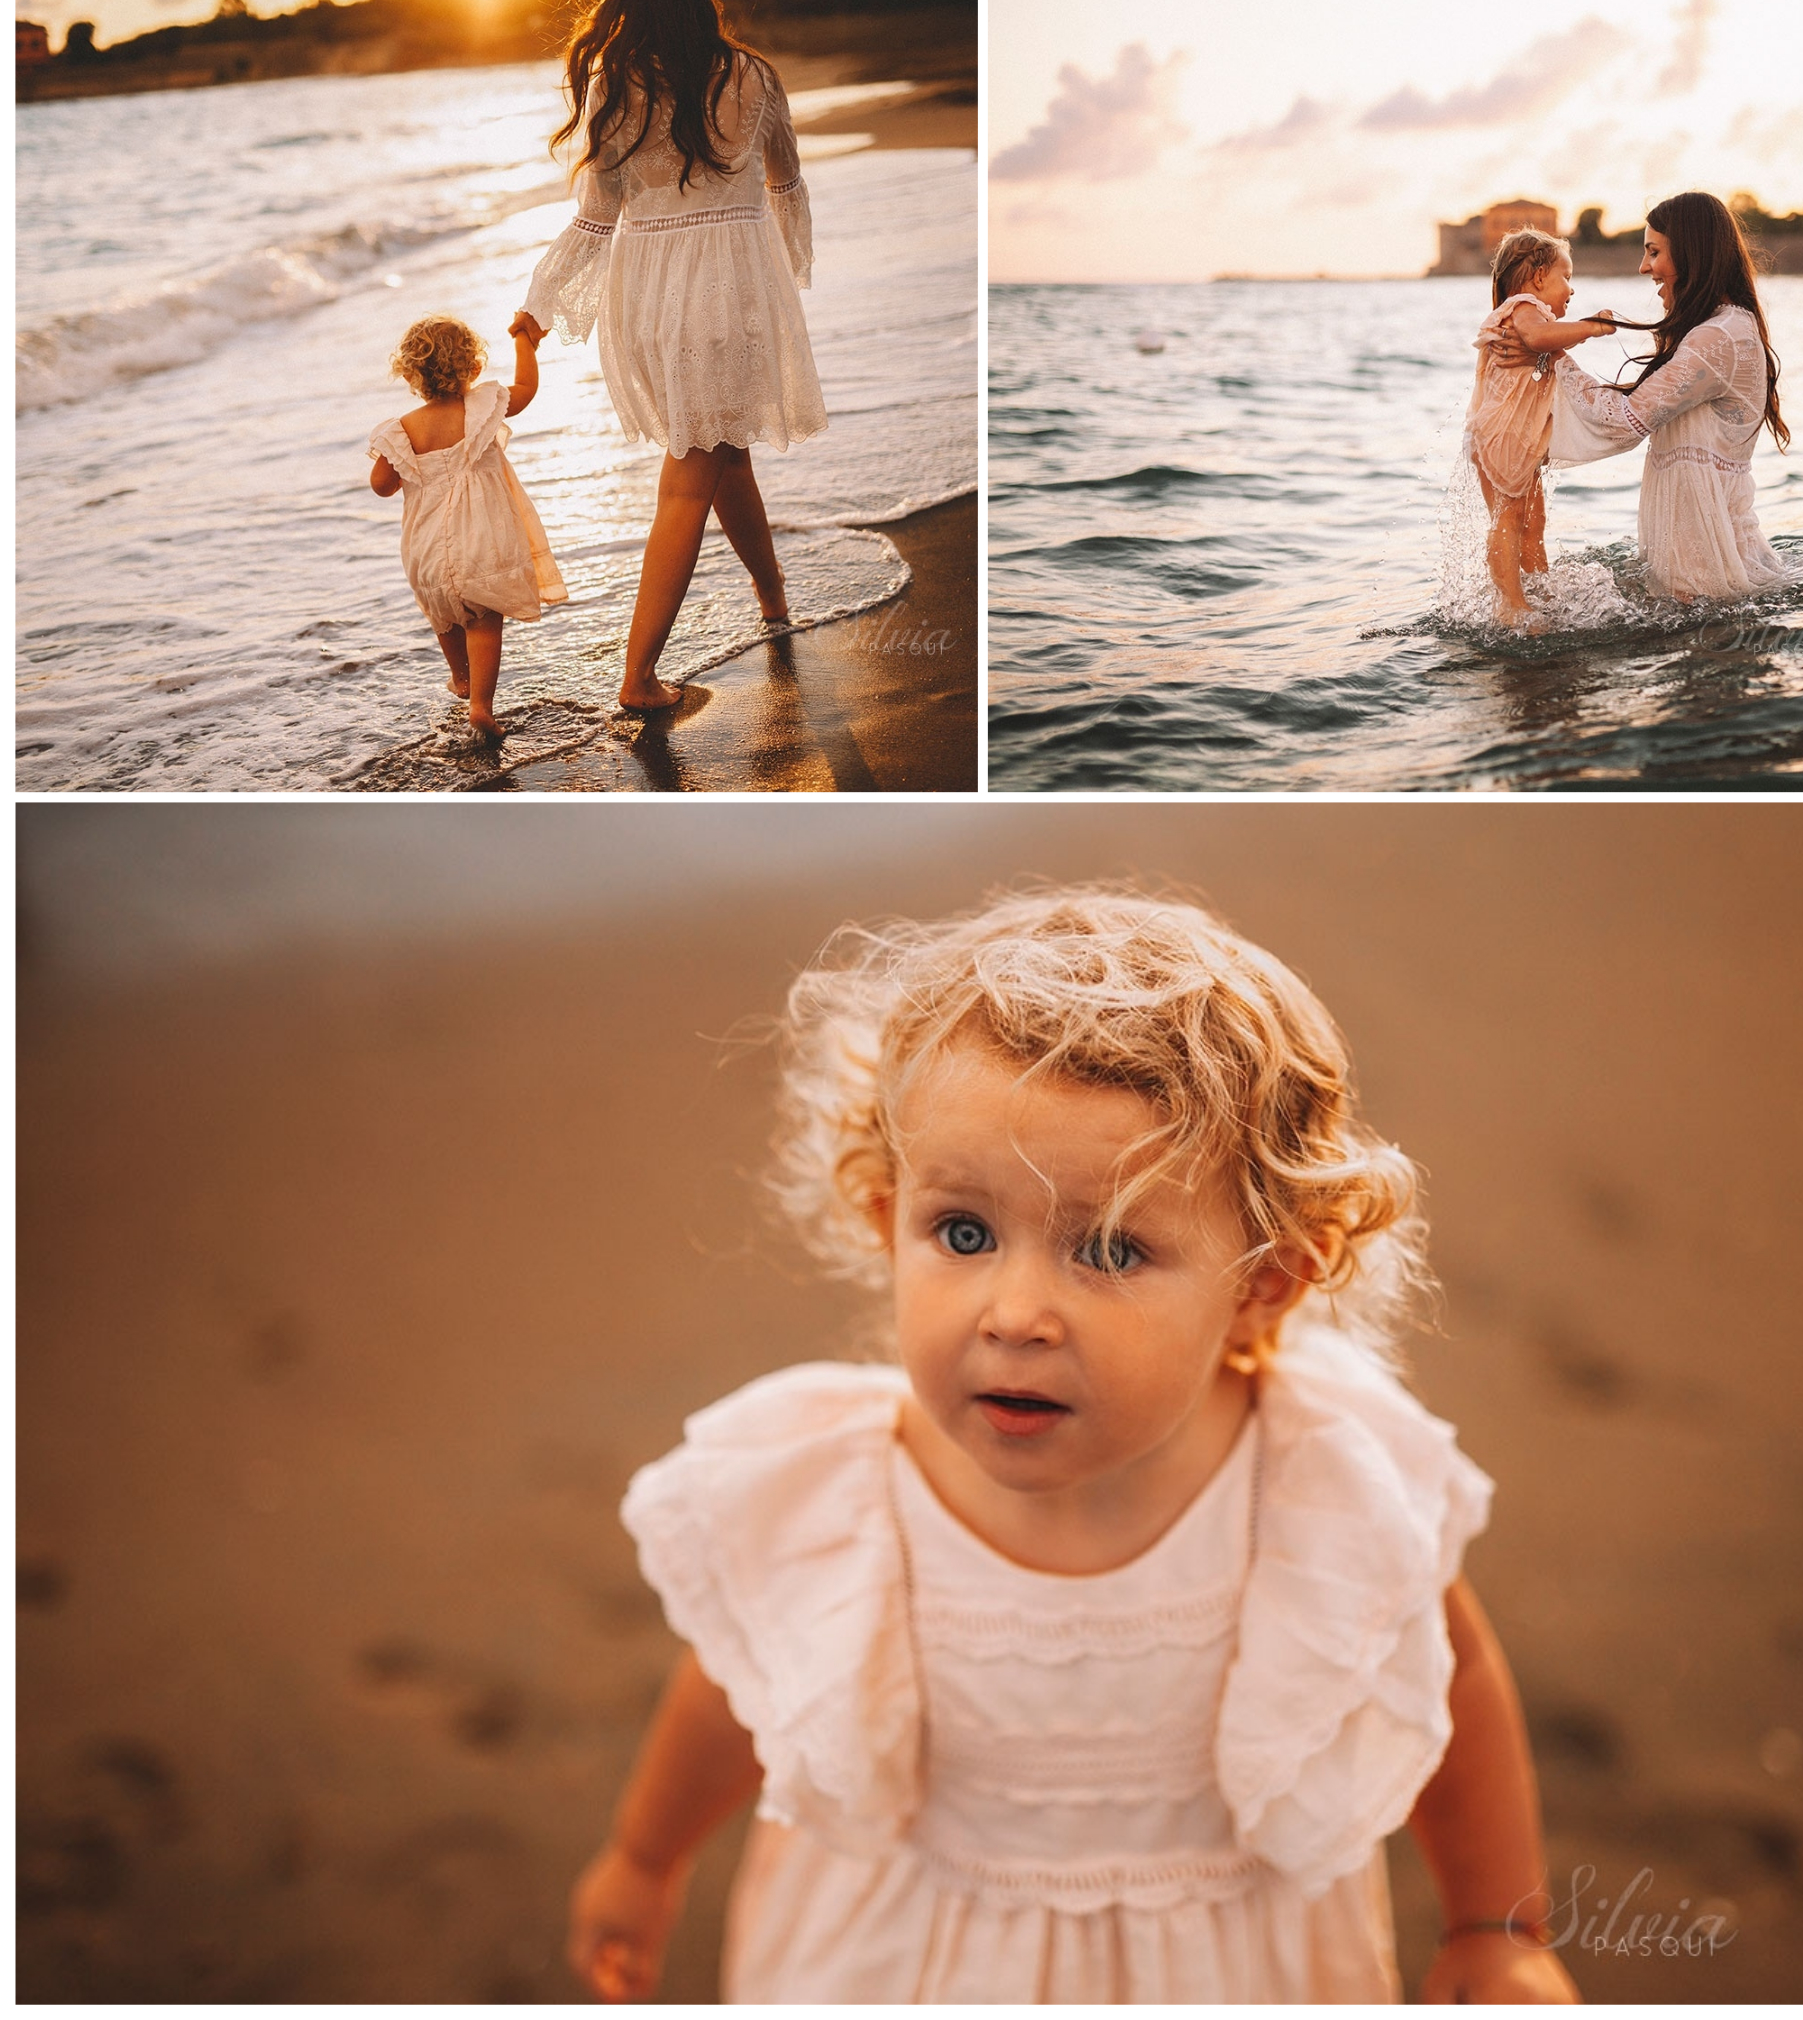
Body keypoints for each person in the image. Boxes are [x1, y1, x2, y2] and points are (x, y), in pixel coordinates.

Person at [568, 885, 1577, 2008]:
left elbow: (1453, 1677)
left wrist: (1495, 1923)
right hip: (907, 1959)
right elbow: (734, 1689)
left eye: (1105, 1248)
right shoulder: (837, 1498)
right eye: (962, 1232)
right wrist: (644, 1858)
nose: (1013, 1313)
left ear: (1261, 1285)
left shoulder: (1315, 1490)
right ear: (882, 1214)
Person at [521, 0, 823, 716]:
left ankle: (772, 596)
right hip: (731, 293)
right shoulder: (753, 75)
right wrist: (788, 266)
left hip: (649, 301)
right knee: (690, 480)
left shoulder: (613, 86)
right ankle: (638, 678)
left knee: (725, 454)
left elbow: (596, 220)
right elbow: (785, 179)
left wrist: (541, 303)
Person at [1543, 193, 1790, 600]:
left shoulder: (1717, 337)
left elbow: (1623, 422)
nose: (1644, 267)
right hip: (1708, 567)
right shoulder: (1720, 328)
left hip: (1708, 577)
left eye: (1654, 252)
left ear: (1693, 253)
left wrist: (1552, 351)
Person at [367, 310, 566, 734]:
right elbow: (527, 389)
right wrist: (523, 341)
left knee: (445, 615)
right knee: (483, 620)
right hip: (482, 538)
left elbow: (381, 485)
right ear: (473, 367)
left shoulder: (401, 431)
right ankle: (481, 706)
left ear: (411, 376)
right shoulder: (482, 407)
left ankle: (461, 678)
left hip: (425, 548)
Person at [1462, 232, 1620, 618]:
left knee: (1533, 521)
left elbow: (1552, 351)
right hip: (1502, 434)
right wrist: (1591, 328)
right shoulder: (1523, 307)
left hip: (1514, 437)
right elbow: (1539, 338)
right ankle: (1510, 604)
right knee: (1510, 518)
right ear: (1538, 278)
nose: (1572, 288)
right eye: (1566, 277)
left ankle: (1538, 588)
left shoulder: (1527, 312)